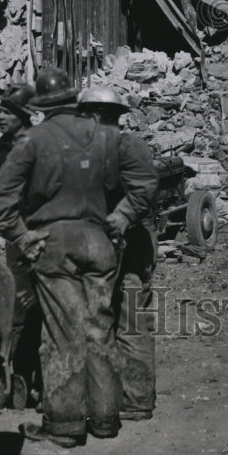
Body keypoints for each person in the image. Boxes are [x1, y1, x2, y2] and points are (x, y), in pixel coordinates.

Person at [0, 67, 125, 448]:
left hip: (54, 242)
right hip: (99, 240)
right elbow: (123, 185)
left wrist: (22, 236)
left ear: (41, 105)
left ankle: (65, 425)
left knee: (63, 334)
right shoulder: (105, 136)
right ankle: (105, 419)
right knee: (100, 327)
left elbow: (2, 197)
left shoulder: (33, 140)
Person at [77, 84, 160, 422]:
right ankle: (108, 397)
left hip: (133, 242)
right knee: (108, 318)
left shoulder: (128, 146)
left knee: (130, 318)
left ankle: (137, 399)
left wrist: (122, 216)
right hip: (102, 241)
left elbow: (145, 188)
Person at [0, 82, 43, 411]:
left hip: (38, 234)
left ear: (23, 116)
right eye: (0, 111)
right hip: (20, 239)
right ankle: (16, 380)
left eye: (7, 112)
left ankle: (38, 382)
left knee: (44, 309)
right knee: (20, 311)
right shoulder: (3, 149)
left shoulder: (35, 147)